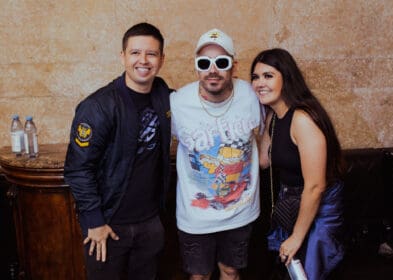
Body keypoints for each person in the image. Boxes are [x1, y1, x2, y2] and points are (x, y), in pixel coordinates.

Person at [64, 22, 171, 280]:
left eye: (151, 54)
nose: (143, 60)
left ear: (161, 59)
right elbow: (78, 168)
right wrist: (95, 221)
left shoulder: (163, 94)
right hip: (108, 226)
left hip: (150, 223)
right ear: (122, 56)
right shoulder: (98, 106)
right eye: (135, 53)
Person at [170, 28, 261, 280]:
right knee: (199, 275)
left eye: (221, 62)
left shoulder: (252, 95)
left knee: (230, 271)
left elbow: (269, 133)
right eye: (204, 63)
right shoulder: (177, 102)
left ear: (234, 66)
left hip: (240, 212)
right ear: (196, 67)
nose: (212, 69)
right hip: (195, 214)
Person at [250, 48, 344, 279]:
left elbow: (315, 186)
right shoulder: (275, 116)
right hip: (291, 204)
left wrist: (296, 237)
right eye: (255, 77)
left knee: (308, 273)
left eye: (268, 76)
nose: (259, 83)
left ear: (287, 77)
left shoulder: (302, 118)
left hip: (319, 208)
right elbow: (264, 161)